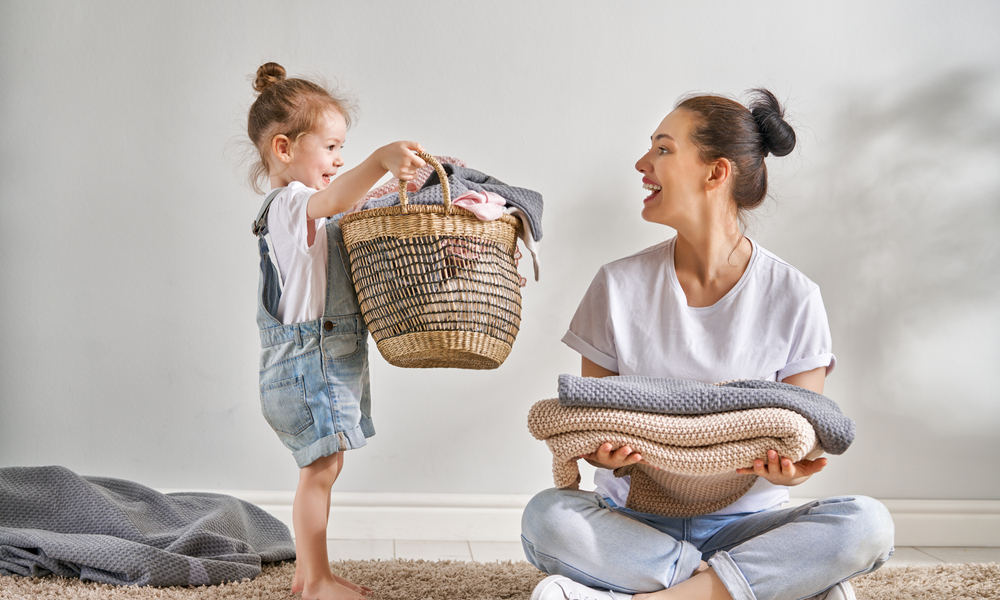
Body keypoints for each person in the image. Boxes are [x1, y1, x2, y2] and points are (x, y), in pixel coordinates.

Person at [521, 90, 895, 600]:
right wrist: (604, 456)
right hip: (635, 524)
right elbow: (596, 419)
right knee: (547, 517)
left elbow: (806, 433)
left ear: (714, 173)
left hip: (746, 525)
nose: (642, 163)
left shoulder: (793, 295)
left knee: (867, 524)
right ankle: (757, 587)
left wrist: (792, 469)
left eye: (663, 149)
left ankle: (655, 594)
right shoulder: (616, 285)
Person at [246, 62, 425, 600]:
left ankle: (308, 576)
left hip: (321, 358)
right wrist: (378, 162)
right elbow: (336, 198)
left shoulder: (308, 215)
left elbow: (340, 210)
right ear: (284, 149)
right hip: (307, 363)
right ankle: (317, 579)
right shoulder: (289, 205)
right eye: (330, 147)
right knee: (320, 468)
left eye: (343, 148)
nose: (340, 158)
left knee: (326, 464)